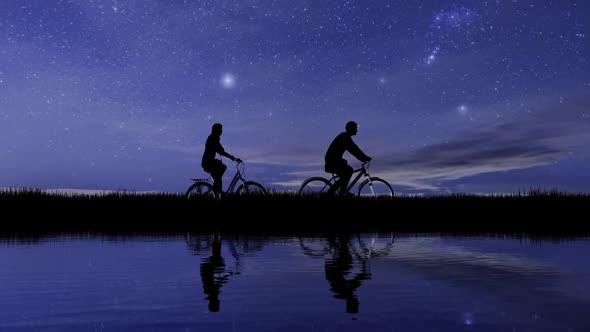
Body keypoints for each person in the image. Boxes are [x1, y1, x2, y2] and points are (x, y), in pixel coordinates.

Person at [324, 121, 372, 196]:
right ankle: (330, 193)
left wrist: (363, 157)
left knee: (348, 171)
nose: (357, 130)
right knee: (348, 171)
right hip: (332, 162)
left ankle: (343, 191)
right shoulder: (345, 137)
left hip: (334, 160)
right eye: (355, 128)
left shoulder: (345, 136)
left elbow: (354, 148)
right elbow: (353, 149)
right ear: (351, 128)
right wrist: (364, 158)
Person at [201, 123, 241, 194]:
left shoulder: (214, 138)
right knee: (221, 169)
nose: (221, 131)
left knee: (221, 169)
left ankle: (217, 189)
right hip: (207, 162)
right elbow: (220, 151)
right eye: (220, 130)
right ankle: (217, 190)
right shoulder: (213, 138)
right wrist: (232, 158)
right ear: (216, 130)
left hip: (209, 161)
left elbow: (220, 150)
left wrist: (232, 157)